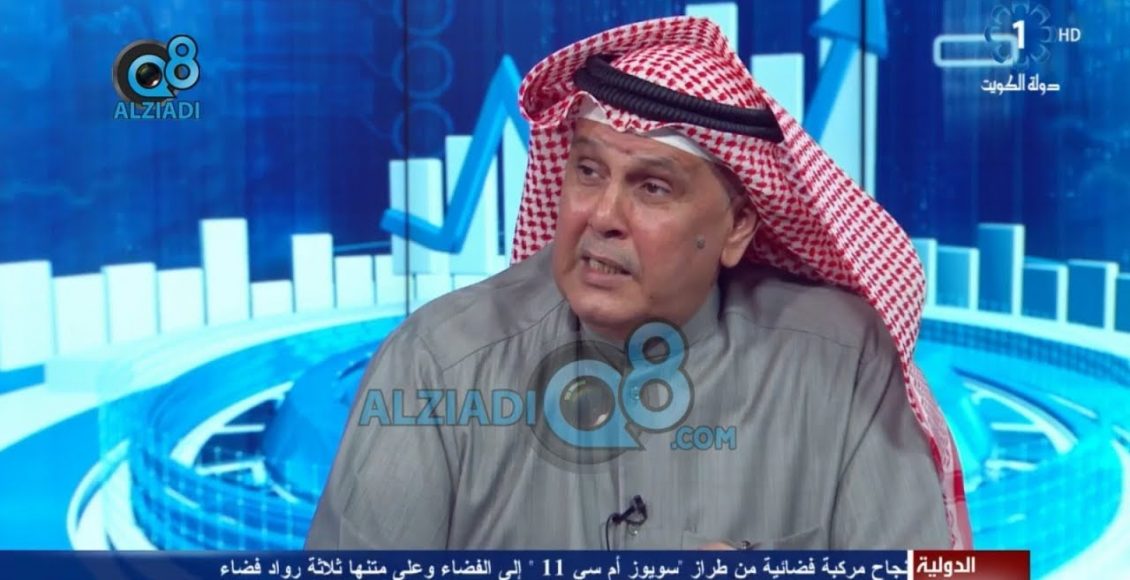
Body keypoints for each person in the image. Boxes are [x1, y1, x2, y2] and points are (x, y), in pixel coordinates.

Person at [306, 16, 972, 550]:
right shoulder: (437, 364)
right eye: (588, 172)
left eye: (653, 187)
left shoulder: (841, 360)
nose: (602, 216)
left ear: (737, 226)